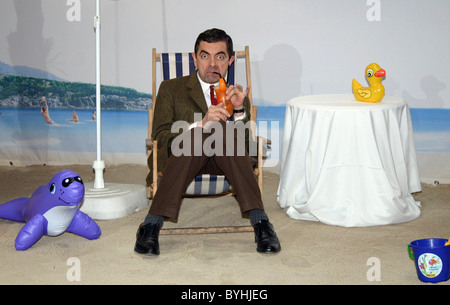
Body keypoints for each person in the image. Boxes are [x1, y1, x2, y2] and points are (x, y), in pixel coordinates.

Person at [134, 28, 281, 255]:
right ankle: (151, 224)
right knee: (205, 130)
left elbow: (245, 149)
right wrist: (200, 125)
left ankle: (260, 222)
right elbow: (161, 138)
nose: (212, 64)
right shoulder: (171, 88)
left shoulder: (235, 95)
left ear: (230, 61)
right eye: (205, 56)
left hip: (223, 160)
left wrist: (240, 111)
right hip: (181, 158)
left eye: (220, 57)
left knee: (223, 130)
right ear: (195, 59)